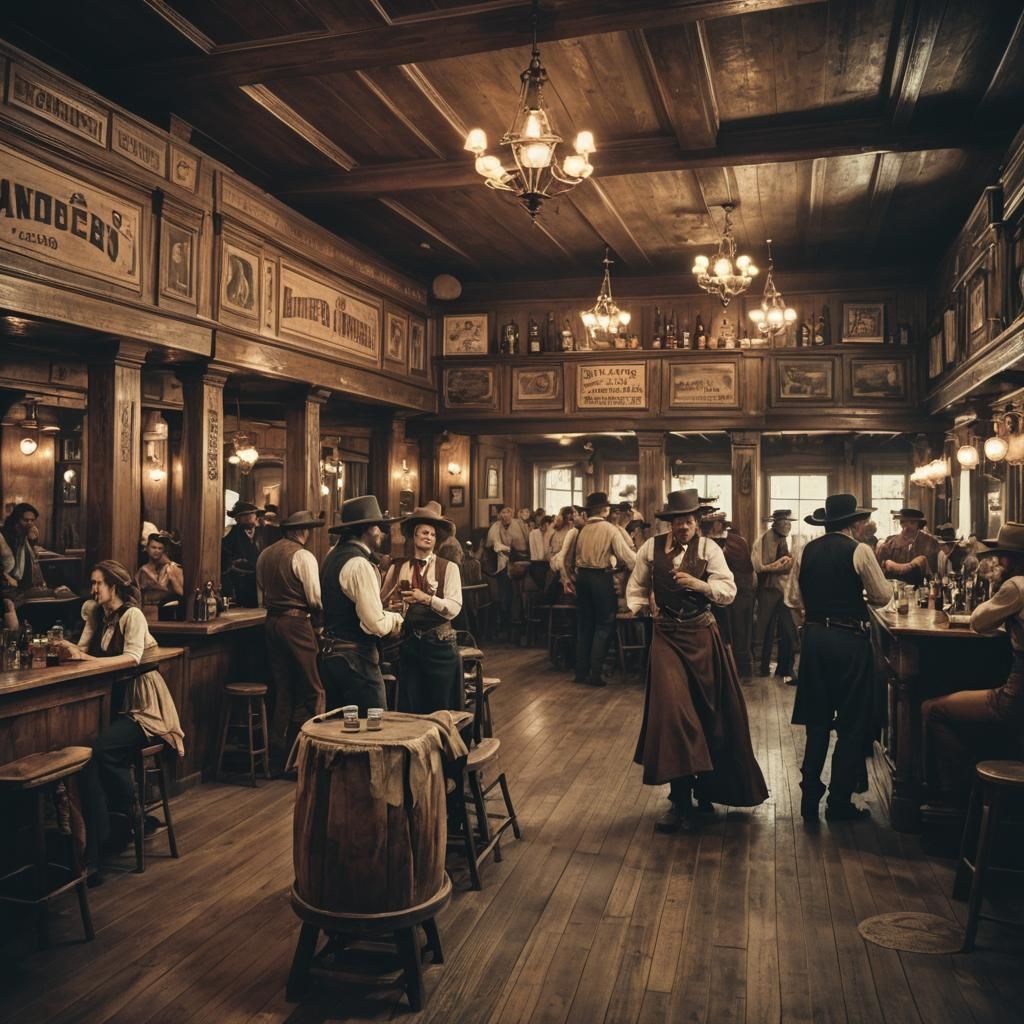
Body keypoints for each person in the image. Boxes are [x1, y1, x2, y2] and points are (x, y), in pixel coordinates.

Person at [627, 489, 768, 832]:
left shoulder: (710, 549)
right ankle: (679, 800)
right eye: (677, 521)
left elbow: (728, 591)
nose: (683, 527)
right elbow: (635, 587)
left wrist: (699, 585)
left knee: (710, 713)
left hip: (703, 636)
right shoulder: (651, 549)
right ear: (670, 523)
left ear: (697, 522)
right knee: (673, 713)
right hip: (666, 638)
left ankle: (706, 790)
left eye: (689, 521)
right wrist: (645, 607)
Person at [61, 560, 184, 881]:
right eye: (92, 583)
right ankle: (101, 842)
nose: (93, 589)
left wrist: (85, 658)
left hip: (144, 707)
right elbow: (83, 649)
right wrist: (65, 648)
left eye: (98, 583)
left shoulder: (133, 615)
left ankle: (132, 814)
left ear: (114, 585)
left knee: (102, 750)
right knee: (89, 757)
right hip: (115, 702)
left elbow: (131, 658)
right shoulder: (99, 614)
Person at [785, 495, 891, 822]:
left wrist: (816, 614)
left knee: (817, 722)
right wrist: (853, 595)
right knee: (851, 722)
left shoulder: (806, 552)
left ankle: (809, 797)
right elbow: (883, 596)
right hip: (849, 641)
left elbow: (792, 599)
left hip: (815, 639)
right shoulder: (859, 550)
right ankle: (839, 803)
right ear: (854, 523)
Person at [922, 522, 1024, 803]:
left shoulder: (1015, 586)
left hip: (1015, 699)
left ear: (1006, 558)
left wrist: (998, 588)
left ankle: (964, 795)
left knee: (932, 709)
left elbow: (979, 621)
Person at [319, 496, 403, 714]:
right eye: (378, 527)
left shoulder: (332, 555)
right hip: (356, 659)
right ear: (367, 529)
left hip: (330, 655)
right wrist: (396, 618)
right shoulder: (359, 564)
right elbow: (374, 624)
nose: (381, 533)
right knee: (374, 728)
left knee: (341, 730)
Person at [255, 510, 325, 766]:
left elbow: (261, 592)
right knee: (314, 687)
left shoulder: (265, 554)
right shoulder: (303, 555)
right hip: (296, 623)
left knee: (283, 688)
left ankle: (277, 756)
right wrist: (320, 624)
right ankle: (315, 755)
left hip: (271, 622)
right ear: (303, 531)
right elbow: (315, 598)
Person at [381, 505, 463, 713]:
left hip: (440, 646)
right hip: (410, 645)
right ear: (413, 535)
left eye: (433, 535)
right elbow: (382, 601)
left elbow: (454, 608)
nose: (429, 537)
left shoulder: (449, 568)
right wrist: (394, 608)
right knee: (411, 706)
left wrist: (427, 599)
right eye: (425, 533)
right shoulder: (398, 567)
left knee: (441, 707)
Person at [563, 491, 637, 687]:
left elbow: (567, 562)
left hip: (583, 579)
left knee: (585, 625)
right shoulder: (610, 529)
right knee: (604, 625)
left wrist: (572, 577)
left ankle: (580, 673)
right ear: (605, 510)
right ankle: (595, 674)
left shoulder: (580, 530)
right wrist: (645, 563)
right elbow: (628, 558)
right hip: (600, 578)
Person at [752, 509, 798, 681]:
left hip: (782, 590)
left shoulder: (783, 539)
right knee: (764, 629)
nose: (788, 525)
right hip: (768, 590)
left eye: (789, 522)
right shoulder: (766, 539)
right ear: (775, 523)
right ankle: (761, 668)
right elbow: (760, 567)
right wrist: (782, 564)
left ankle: (785, 668)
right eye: (784, 522)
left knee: (788, 628)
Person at [222, 501, 275, 607]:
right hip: (241, 582)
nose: (248, 517)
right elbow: (226, 559)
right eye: (244, 515)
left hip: (264, 580)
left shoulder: (266, 532)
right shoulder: (231, 535)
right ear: (237, 519)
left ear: (256, 516)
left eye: (251, 514)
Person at [876, 507, 938, 586]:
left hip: (922, 588)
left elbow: (934, 572)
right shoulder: (891, 542)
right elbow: (881, 565)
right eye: (903, 522)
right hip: (895, 588)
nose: (907, 527)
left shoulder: (930, 542)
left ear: (918, 524)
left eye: (912, 523)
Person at [134, 534, 184, 616]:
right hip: (147, 611)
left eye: (160, 548)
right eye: (153, 547)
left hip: (167, 611)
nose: (156, 550)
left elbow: (181, 593)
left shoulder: (170, 568)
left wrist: (171, 577)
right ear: (147, 548)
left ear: (163, 551)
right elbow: (136, 596)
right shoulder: (142, 571)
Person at [1, 502, 45, 590]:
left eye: (32, 520)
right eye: (26, 520)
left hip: (20, 586)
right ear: (16, 521)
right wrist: (6, 577)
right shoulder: (3, 536)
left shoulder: (24, 537)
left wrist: (32, 542)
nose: (30, 524)